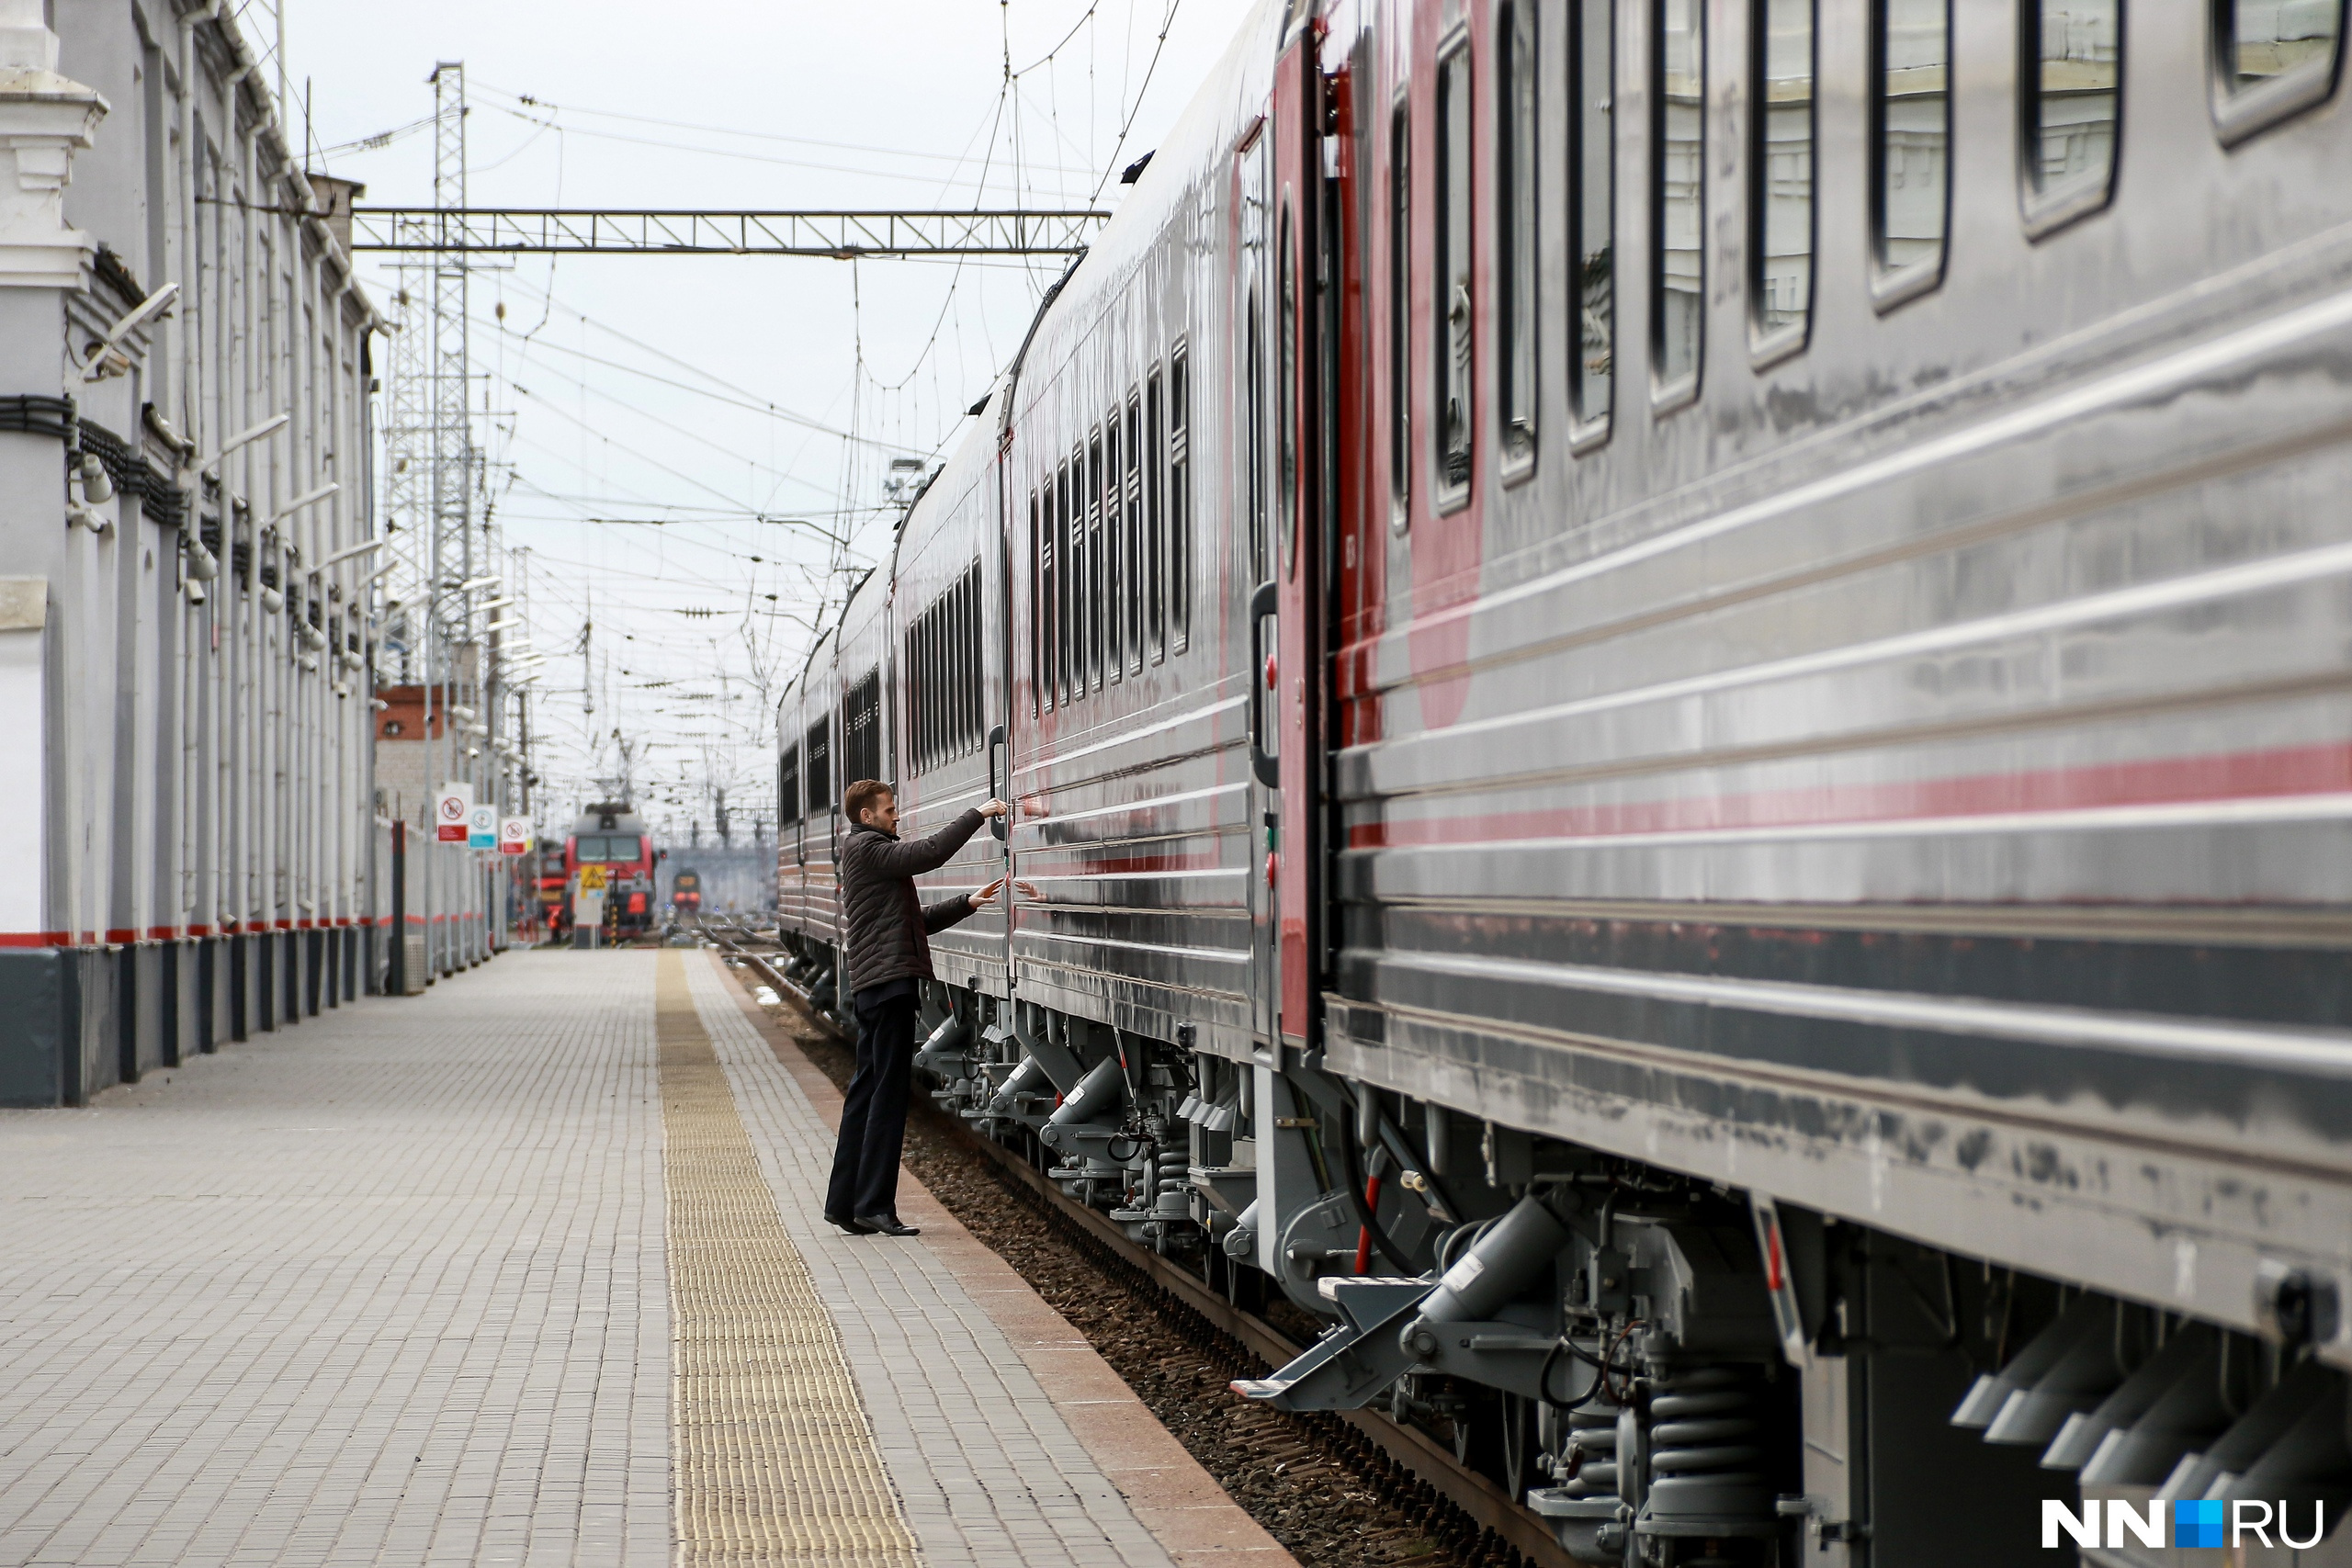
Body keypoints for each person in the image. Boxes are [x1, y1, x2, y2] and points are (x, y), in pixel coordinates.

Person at [824, 778, 1011, 1236]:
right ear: (867, 815)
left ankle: (845, 1204)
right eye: (889, 810)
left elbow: (913, 922)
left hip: (879, 985)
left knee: (867, 1093)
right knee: (886, 1097)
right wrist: (978, 815)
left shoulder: (869, 855)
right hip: (888, 987)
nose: (896, 816)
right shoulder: (868, 847)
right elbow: (929, 853)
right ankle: (874, 1205)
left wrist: (966, 904)